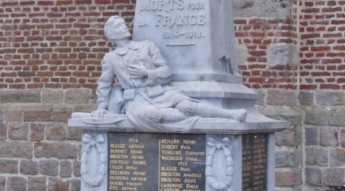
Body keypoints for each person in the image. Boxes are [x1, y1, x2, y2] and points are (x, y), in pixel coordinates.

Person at [94, 16, 245, 132]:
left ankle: (230, 115)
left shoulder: (146, 46)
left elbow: (166, 72)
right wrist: (102, 106)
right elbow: (104, 85)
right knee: (152, 115)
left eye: (124, 23)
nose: (125, 26)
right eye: (120, 26)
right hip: (137, 100)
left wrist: (147, 73)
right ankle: (189, 117)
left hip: (159, 92)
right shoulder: (111, 58)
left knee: (188, 105)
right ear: (112, 34)